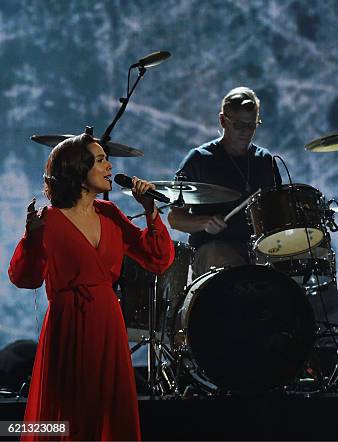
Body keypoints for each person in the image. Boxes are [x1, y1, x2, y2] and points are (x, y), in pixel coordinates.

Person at [8, 134, 175, 441]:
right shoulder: (50, 220)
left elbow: (157, 258)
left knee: (109, 414)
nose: (110, 166)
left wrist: (151, 211)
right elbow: (25, 278)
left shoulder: (110, 214)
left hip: (107, 322)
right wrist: (31, 240)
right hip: (68, 325)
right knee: (69, 414)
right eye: (100, 161)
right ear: (78, 169)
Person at [168, 86, 280, 278]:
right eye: (238, 125)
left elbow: (278, 212)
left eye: (251, 125)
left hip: (259, 250)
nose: (246, 132)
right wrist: (203, 222)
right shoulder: (199, 159)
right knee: (229, 268)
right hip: (212, 250)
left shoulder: (265, 160)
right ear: (223, 120)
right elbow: (175, 218)